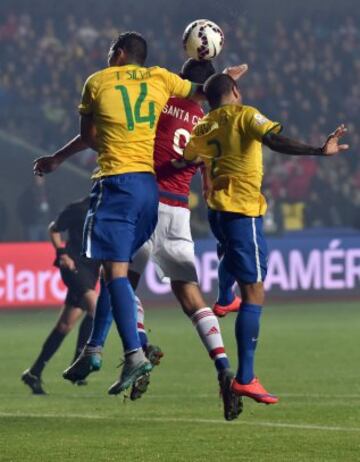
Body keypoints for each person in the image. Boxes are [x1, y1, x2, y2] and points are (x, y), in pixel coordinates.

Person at [37, 59, 246, 420]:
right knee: (192, 298)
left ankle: (121, 350)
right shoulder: (210, 120)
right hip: (180, 212)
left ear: (181, 80)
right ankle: (224, 367)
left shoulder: (161, 100)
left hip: (144, 203)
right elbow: (210, 159)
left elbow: (112, 126)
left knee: (117, 278)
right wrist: (224, 80)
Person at [183, 73, 349, 405]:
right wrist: (319, 150)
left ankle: (222, 297)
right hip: (242, 211)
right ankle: (246, 378)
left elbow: (188, 158)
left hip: (217, 211)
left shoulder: (202, 125)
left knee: (231, 256)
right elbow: (275, 140)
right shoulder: (246, 115)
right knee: (255, 290)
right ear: (235, 91)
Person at [21, 196, 99, 394]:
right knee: (95, 307)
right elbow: (54, 228)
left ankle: (34, 372)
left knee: (65, 324)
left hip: (90, 269)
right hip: (73, 264)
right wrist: (62, 254)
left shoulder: (109, 211)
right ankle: (79, 362)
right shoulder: (78, 208)